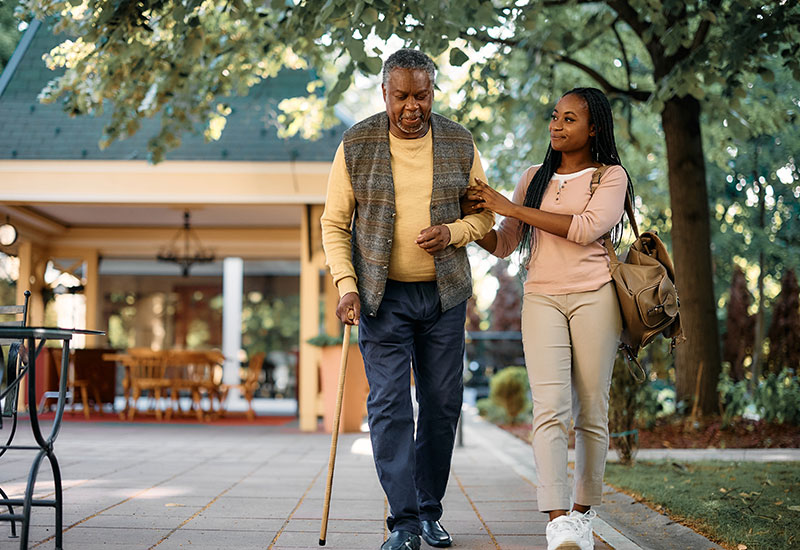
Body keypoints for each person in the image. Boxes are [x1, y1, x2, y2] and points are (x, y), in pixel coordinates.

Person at [320, 49, 494, 550]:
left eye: (422, 95)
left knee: (442, 404)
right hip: (381, 296)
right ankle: (403, 521)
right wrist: (346, 285)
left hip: (444, 296)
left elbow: (484, 217)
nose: (412, 106)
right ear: (385, 94)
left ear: (432, 92)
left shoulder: (460, 141)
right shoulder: (356, 143)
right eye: (402, 96)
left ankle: (429, 510)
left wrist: (455, 232)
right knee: (391, 405)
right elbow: (335, 223)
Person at [464, 87, 631, 550]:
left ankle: (583, 512)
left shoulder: (609, 177)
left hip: (595, 297)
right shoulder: (532, 178)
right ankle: (558, 519)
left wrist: (511, 207)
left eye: (570, 119)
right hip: (541, 299)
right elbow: (504, 243)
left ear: (593, 127)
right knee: (550, 409)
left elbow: (583, 229)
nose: (557, 125)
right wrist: (467, 225)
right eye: (555, 116)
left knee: (592, 410)